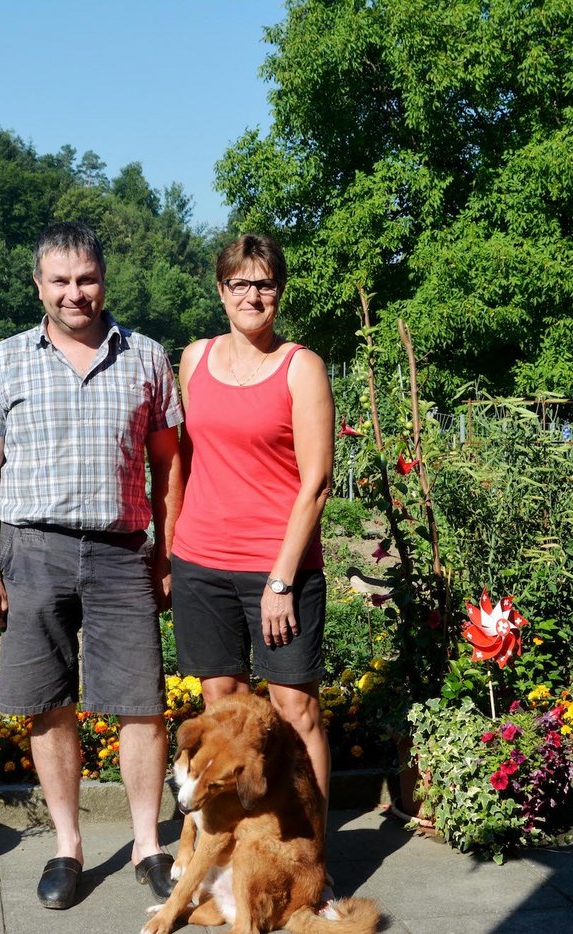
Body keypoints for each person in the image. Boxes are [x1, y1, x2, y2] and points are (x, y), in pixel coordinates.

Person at [0, 221, 182, 910]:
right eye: (60, 281)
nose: (74, 293)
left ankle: (148, 845)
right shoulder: (3, 361)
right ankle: (68, 846)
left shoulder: (147, 357)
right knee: (48, 703)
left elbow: (169, 465)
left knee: (141, 705)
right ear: (39, 286)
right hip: (34, 551)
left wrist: (167, 554)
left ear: (103, 280)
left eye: (85, 278)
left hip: (122, 554)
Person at [170, 232, 335, 811]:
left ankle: (312, 854)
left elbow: (315, 484)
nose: (252, 295)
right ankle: (239, 848)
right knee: (224, 706)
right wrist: (170, 553)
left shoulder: (301, 368)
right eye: (240, 283)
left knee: (295, 711)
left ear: (279, 293)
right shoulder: (194, 359)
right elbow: (182, 463)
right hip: (202, 562)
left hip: (278, 568)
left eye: (264, 284)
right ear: (221, 291)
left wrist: (281, 581)